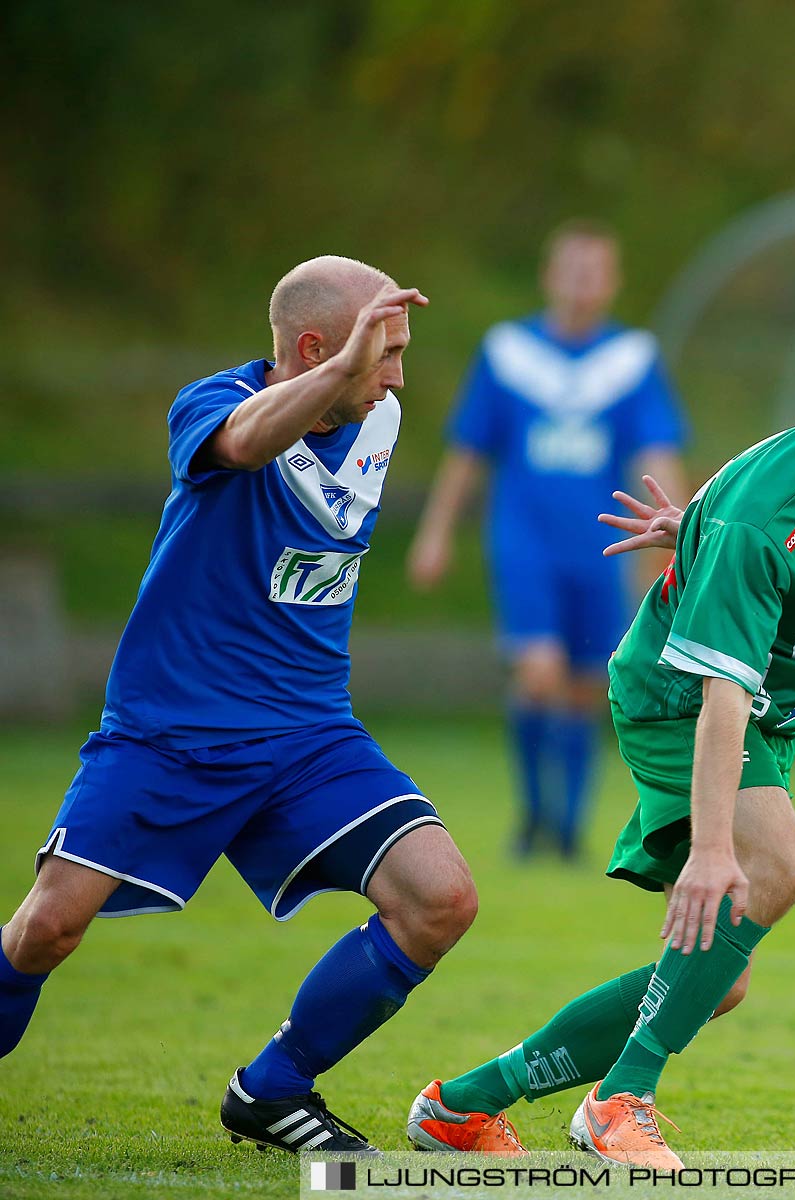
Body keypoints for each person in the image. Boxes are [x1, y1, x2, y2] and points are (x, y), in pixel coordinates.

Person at [404, 280, 795, 1162]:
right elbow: (723, 689)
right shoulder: (767, 526)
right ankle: (619, 1100)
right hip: (682, 697)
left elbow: (759, 518)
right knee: (781, 864)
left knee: (718, 981)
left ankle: (462, 1105)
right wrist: (715, 853)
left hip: (766, 711)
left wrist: (697, 529)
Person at [0, 259, 475, 1152]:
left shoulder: (379, 416)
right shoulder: (211, 403)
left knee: (441, 898)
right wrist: (342, 373)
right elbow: (249, 445)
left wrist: (356, 380)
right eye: (385, 355)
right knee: (45, 930)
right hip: (169, 736)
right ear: (312, 350)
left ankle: (272, 1091)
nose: (398, 377)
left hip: (307, 737)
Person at [409, 221, 687, 860]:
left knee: (589, 685)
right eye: (572, 268)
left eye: (596, 270)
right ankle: (533, 817)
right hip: (524, 539)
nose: (583, 281)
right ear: (549, 275)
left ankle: (566, 829)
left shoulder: (632, 360)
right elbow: (468, 452)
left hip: (597, 544)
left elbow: (658, 451)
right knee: (538, 675)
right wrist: (435, 533)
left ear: (613, 281)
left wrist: (676, 537)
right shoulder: (508, 352)